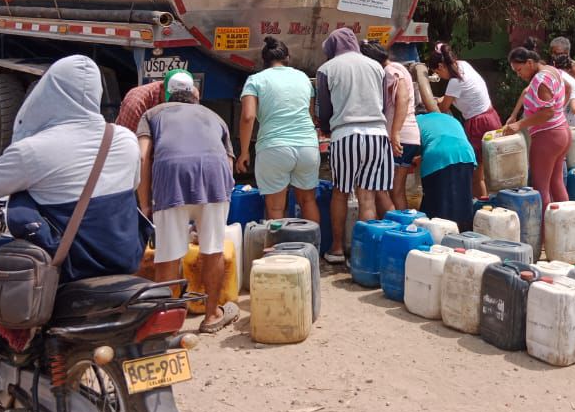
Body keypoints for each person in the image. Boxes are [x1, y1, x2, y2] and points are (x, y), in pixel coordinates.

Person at [0, 56, 145, 394]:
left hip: (68, 264)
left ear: (49, 94)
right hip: (123, 257)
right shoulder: (124, 139)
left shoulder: (34, 150)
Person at [137, 70, 239, 334]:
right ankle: (212, 315)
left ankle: (166, 323)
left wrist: (145, 202)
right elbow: (228, 163)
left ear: (168, 94)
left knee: (168, 253)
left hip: (171, 180)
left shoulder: (152, 114)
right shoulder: (214, 116)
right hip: (214, 178)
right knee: (212, 248)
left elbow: (142, 157)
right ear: (195, 95)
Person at [317, 27, 393, 263]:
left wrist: (327, 129)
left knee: (340, 191)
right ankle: (365, 255)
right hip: (377, 134)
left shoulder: (326, 69)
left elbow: (325, 108)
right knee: (367, 195)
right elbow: (383, 103)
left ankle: (337, 249)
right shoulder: (375, 66)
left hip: (346, 134)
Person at [236, 37, 320, 223]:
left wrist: (243, 152)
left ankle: (279, 250)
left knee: (275, 207)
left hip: (274, 147)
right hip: (307, 146)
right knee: (308, 201)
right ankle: (314, 248)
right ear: (287, 58)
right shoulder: (303, 78)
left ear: (264, 61)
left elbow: (248, 116)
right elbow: (310, 113)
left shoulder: (256, 80)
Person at [427, 42, 503, 198]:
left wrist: (433, 101)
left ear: (441, 66)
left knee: (477, 176)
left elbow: (442, 109)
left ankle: (480, 206)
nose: (440, 77)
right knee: (494, 172)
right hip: (491, 117)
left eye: (437, 73)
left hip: (478, 124)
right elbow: (457, 96)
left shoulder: (454, 82)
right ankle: (491, 203)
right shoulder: (463, 65)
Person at [503, 45, 570, 204]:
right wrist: (514, 116)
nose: (519, 75)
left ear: (530, 63)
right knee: (556, 182)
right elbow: (568, 87)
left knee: (541, 188)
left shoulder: (540, 79)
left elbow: (548, 112)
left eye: (519, 70)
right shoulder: (551, 70)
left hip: (547, 137)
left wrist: (520, 124)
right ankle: (565, 225)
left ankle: (544, 229)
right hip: (562, 132)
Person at [360, 41, 421, 211]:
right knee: (397, 190)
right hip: (410, 136)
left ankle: (395, 227)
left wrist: (395, 133)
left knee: (381, 188)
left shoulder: (389, 72)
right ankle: (403, 227)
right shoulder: (399, 67)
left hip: (399, 137)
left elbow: (402, 98)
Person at [413, 107, 478, 231]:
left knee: (436, 201)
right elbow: (441, 135)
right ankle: (465, 233)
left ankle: (436, 235)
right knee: (463, 198)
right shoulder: (448, 117)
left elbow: (418, 145)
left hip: (439, 154)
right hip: (466, 153)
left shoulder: (415, 121)